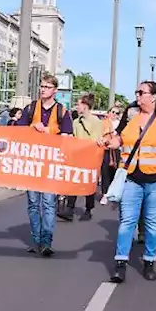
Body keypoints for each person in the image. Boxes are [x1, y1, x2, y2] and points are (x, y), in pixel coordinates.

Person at [105, 82, 156, 282]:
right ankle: (120, 262)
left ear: (154, 96)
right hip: (132, 176)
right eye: (137, 92)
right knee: (127, 221)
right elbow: (119, 139)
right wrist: (108, 142)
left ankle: (149, 261)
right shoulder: (131, 114)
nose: (138, 96)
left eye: (142, 92)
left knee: (152, 222)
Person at [15, 74, 73, 256]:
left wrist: (49, 132)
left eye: (47, 87)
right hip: (32, 162)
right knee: (33, 203)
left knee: (48, 203)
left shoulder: (62, 111)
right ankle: (36, 240)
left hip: (51, 163)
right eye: (41, 86)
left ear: (55, 90)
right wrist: (32, 128)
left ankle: (46, 241)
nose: (43, 89)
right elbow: (18, 130)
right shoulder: (31, 108)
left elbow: (68, 138)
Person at [60, 93, 101, 222]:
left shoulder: (96, 122)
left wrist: (84, 122)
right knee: (74, 181)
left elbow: (94, 139)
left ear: (85, 106)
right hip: (76, 155)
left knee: (88, 183)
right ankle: (70, 209)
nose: (77, 107)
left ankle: (89, 209)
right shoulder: (76, 121)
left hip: (90, 156)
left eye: (79, 104)